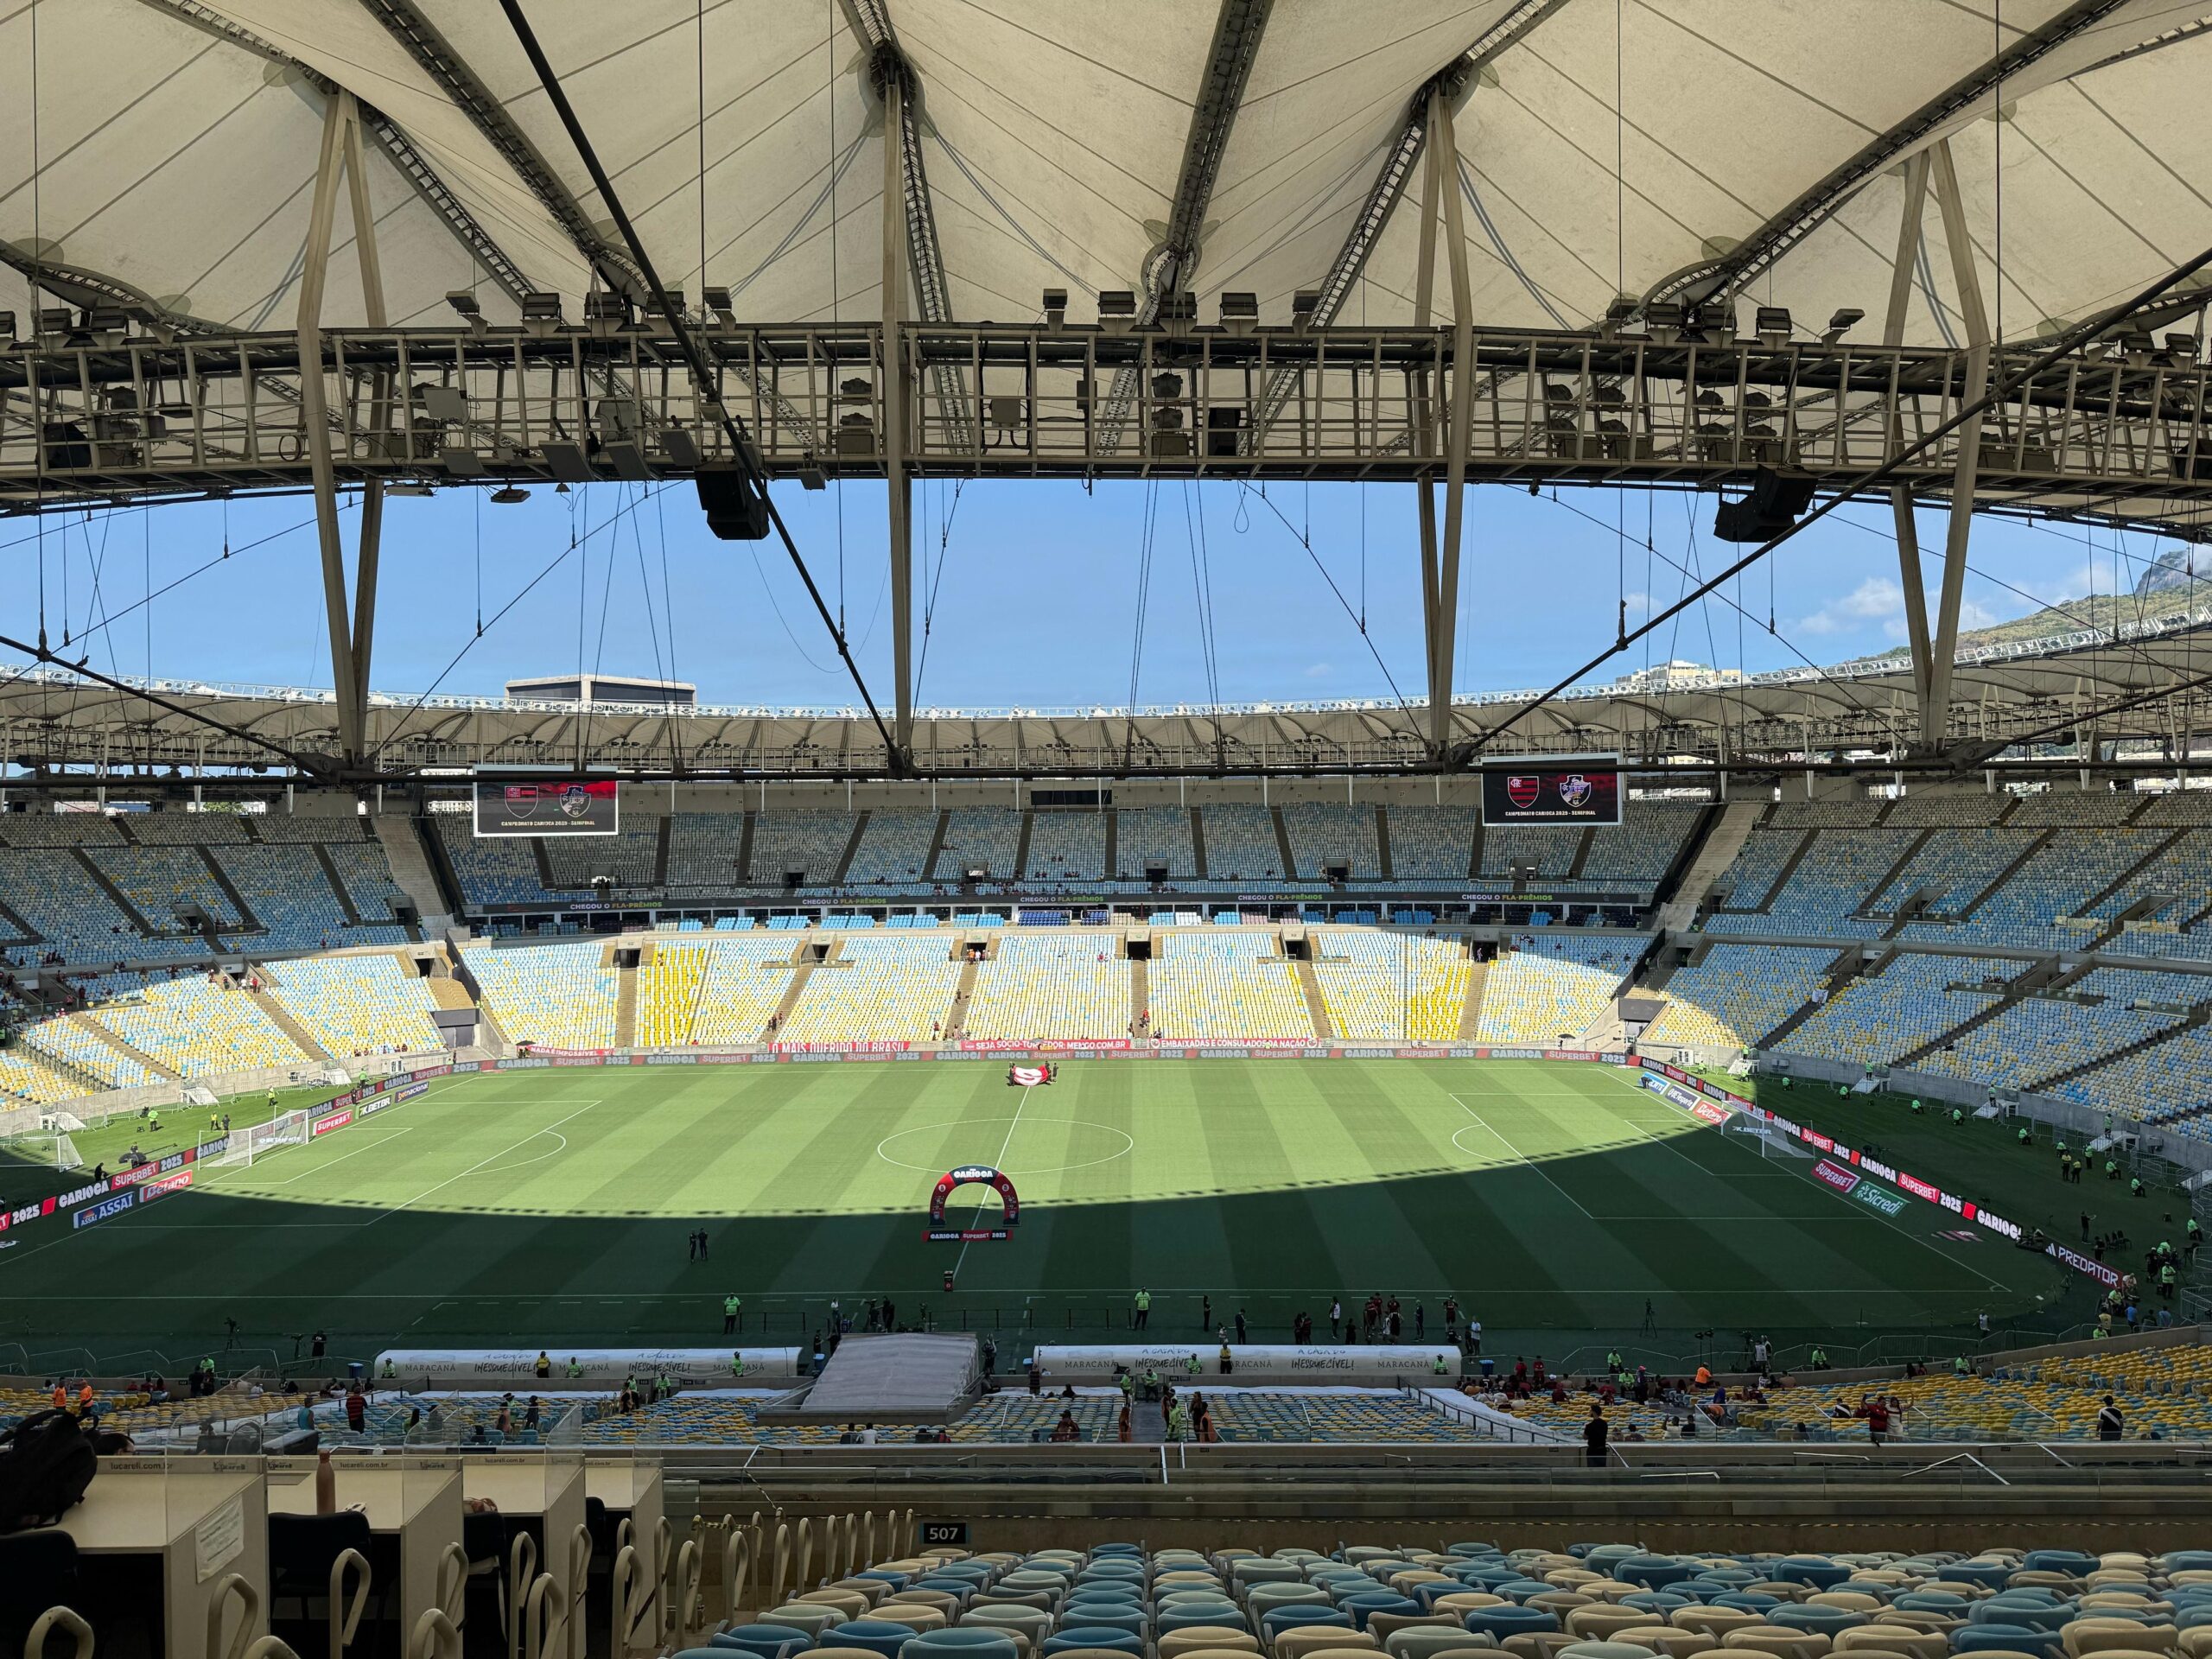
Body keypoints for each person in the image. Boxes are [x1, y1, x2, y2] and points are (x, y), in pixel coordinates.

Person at [1583, 1403, 1608, 1467]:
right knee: (1601, 1470)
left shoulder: (1589, 1425)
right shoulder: (1604, 1424)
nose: (1589, 1412)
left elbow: (1585, 1437)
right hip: (1602, 1450)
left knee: (1592, 1471)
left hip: (1592, 1451)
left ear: (1593, 1412)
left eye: (1590, 1410)